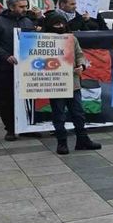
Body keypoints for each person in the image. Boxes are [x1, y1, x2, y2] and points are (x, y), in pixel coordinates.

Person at [44, 12, 102, 154]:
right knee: (59, 114)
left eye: (62, 24)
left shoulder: (72, 39)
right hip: (55, 83)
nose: (60, 27)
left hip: (73, 82)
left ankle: (82, 140)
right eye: (56, 24)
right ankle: (61, 142)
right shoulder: (42, 40)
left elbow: (80, 54)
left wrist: (81, 66)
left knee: (78, 113)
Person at [0, 0, 34, 141]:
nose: (24, 9)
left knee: (27, 98)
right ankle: (11, 129)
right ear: (12, 7)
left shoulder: (27, 21)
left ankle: (27, 127)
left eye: (26, 6)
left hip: (26, 68)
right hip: (5, 68)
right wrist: (6, 56)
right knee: (7, 99)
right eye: (21, 7)